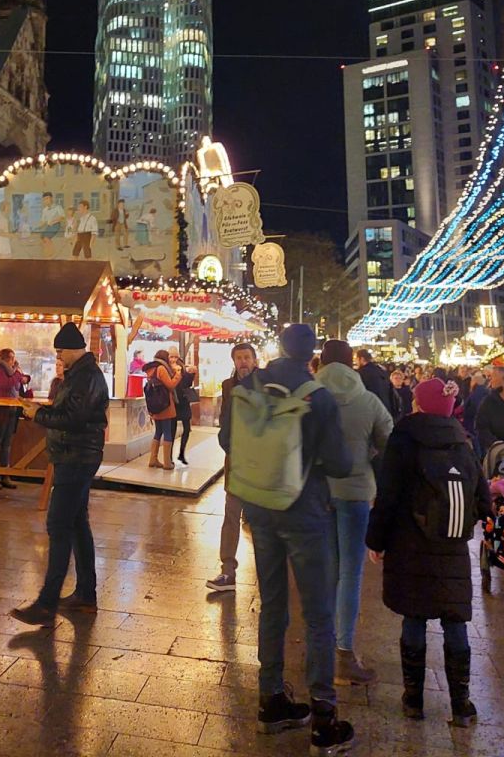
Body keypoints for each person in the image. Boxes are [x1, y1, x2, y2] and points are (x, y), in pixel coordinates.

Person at [222, 323, 355, 753]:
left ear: (279, 348)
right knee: (318, 615)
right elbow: (339, 464)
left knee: (272, 603)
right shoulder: (318, 396)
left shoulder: (250, 385)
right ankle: (324, 719)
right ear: (311, 355)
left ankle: (271, 700)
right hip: (304, 512)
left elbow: (226, 438)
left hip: (259, 507)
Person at [366, 377, 491, 728]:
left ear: (419, 404)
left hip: (410, 545)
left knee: (414, 618)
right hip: (452, 549)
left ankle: (413, 700)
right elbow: (483, 500)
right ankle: (461, 705)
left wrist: (376, 540)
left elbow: (388, 496)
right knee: (455, 620)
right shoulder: (463, 443)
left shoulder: (403, 439)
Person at [11, 322, 109, 625]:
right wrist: (38, 409)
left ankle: (46, 603)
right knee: (77, 523)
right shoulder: (80, 374)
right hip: (75, 456)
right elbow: (70, 413)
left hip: (76, 458)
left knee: (59, 525)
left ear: (73, 349)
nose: (59, 356)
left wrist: (37, 413)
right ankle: (85, 596)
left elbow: (72, 419)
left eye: (60, 351)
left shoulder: (86, 377)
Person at [316, 339, 393, 686]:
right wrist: (368, 453)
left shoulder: (308, 397)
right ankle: (343, 654)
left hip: (318, 493)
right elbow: (389, 441)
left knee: (325, 571)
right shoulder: (368, 400)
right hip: (356, 492)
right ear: (352, 365)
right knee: (351, 573)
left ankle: (321, 649)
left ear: (321, 363)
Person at [207, 341, 259, 593]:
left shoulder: (265, 385)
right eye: (239, 358)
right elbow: (224, 419)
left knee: (260, 520)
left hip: (260, 463)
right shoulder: (228, 386)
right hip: (236, 461)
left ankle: (268, 573)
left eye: (247, 357)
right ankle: (227, 570)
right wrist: (227, 445)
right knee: (231, 514)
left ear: (255, 360)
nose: (243, 362)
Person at [0, 348, 27, 489]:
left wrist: (24, 377)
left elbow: (19, 381)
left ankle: (5, 475)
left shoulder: (13, 370)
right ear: (6, 359)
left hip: (11, 411)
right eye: (12, 358)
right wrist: (18, 375)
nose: (14, 361)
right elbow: (6, 384)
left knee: (6, 445)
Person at [144, 349, 182, 470]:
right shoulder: (161, 368)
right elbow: (170, 385)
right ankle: (167, 463)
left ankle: (153, 459)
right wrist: (178, 374)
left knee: (158, 432)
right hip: (165, 406)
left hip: (155, 406)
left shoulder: (151, 369)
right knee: (167, 432)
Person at [171, 352, 198, 465]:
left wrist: (192, 373)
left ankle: (180, 453)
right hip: (175, 403)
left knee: (185, 429)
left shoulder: (181, 370)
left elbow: (188, 382)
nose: (173, 359)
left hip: (180, 403)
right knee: (173, 431)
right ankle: (172, 456)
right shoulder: (168, 370)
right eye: (171, 357)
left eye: (175, 357)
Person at [355, 347, 396, 415]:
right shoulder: (382, 371)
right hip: (386, 409)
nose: (356, 362)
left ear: (361, 359)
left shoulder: (361, 373)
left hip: (370, 410)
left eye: (356, 359)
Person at [461, 370, 489, 456]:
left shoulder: (476, 393)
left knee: (476, 442)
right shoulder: (487, 392)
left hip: (472, 422)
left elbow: (471, 407)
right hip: (483, 423)